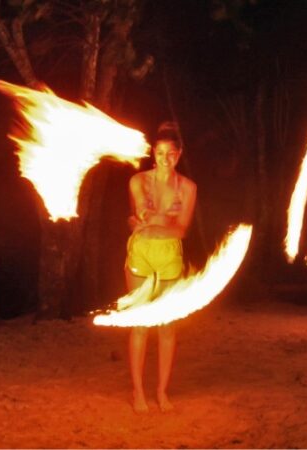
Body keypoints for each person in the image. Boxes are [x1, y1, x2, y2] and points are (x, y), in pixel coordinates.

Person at [125, 122, 197, 413]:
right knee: (140, 325)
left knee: (167, 328)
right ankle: (138, 392)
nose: (164, 158)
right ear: (153, 153)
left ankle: (162, 392)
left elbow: (181, 231)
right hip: (141, 255)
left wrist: (151, 221)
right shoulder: (138, 180)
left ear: (178, 155)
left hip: (169, 258)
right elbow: (142, 210)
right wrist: (156, 219)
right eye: (159, 152)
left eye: (170, 153)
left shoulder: (188, 188)